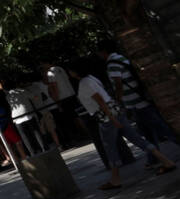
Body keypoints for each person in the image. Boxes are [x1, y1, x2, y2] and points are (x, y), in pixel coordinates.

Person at [72, 59, 176, 189]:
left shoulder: (84, 83)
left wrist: (112, 118)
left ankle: (115, 179)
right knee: (136, 139)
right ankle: (166, 161)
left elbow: (99, 100)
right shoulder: (91, 78)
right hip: (114, 111)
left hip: (106, 116)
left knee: (110, 147)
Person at [100, 48, 178, 151]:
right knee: (147, 130)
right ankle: (153, 158)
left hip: (134, 101)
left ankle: (161, 152)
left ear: (104, 51)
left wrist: (118, 99)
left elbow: (118, 83)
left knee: (159, 127)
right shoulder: (121, 58)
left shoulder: (112, 64)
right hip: (139, 97)